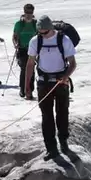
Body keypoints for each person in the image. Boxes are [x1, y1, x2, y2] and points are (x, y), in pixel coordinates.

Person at [25, 15, 77, 160]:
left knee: (62, 113)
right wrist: (27, 87)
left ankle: (64, 142)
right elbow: (30, 64)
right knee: (46, 116)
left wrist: (65, 77)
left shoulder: (64, 40)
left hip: (61, 82)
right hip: (43, 83)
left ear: (51, 28)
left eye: (45, 32)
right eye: (40, 32)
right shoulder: (35, 41)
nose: (42, 34)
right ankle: (51, 148)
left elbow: (72, 63)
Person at [12, 3, 38, 98]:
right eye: (27, 12)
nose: (28, 14)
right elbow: (14, 36)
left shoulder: (35, 24)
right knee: (24, 69)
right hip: (22, 49)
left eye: (30, 12)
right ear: (24, 12)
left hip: (33, 50)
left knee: (32, 70)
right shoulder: (19, 24)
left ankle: (30, 89)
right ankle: (23, 89)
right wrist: (16, 44)